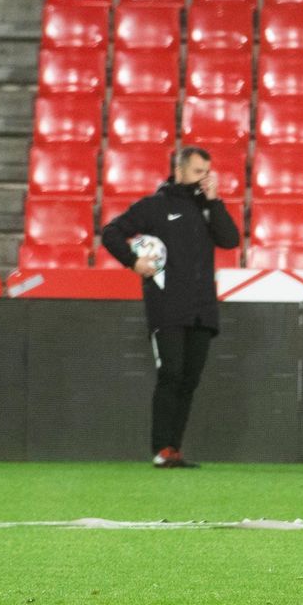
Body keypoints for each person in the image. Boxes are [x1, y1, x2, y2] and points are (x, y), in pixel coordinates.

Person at [99, 147, 241, 468]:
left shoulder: (207, 208)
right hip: (167, 305)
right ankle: (162, 448)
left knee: (190, 379)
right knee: (171, 374)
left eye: (207, 172)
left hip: (202, 307)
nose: (203, 178)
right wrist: (133, 262)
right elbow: (111, 232)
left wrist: (215, 200)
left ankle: (174, 449)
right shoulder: (154, 206)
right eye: (197, 172)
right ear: (179, 171)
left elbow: (230, 239)